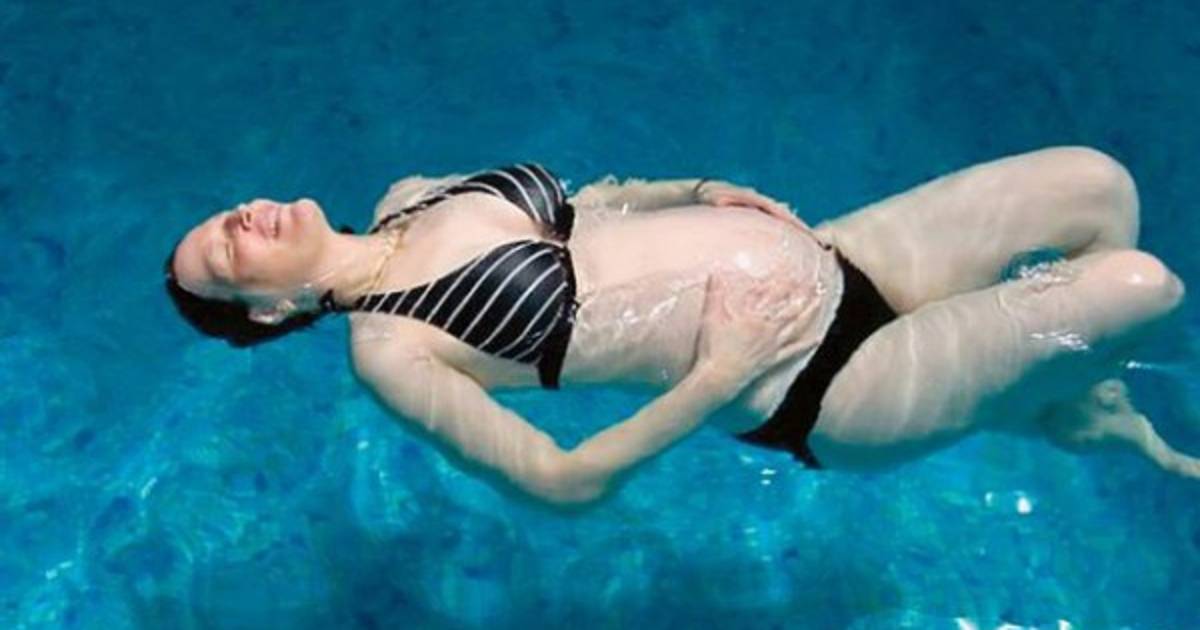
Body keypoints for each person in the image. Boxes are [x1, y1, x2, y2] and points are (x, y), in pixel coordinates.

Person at [165, 147, 1196, 511]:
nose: (238, 220)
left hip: (841, 258)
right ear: (269, 310)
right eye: (223, 254)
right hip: (826, 387)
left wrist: (692, 191)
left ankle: (1054, 397)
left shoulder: (412, 194)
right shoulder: (390, 348)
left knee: (1096, 187)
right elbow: (559, 482)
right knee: (1143, 285)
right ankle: (1048, 401)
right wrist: (717, 377)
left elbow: (580, 211)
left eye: (219, 217)